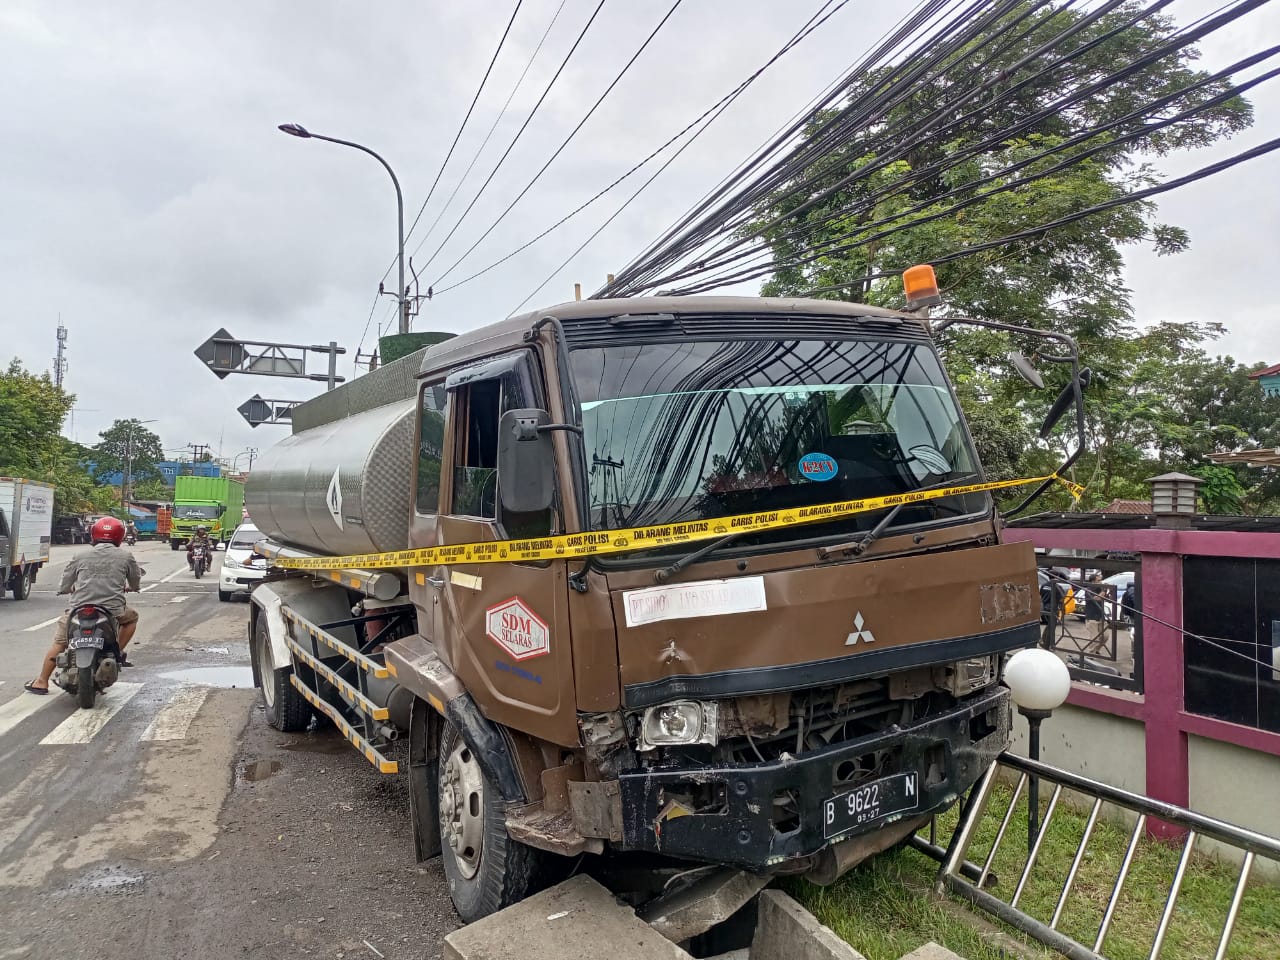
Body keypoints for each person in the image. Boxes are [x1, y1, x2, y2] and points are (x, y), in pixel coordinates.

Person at [24, 516, 142, 695]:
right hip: (112, 611)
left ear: (93, 534)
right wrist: (132, 588)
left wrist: (66, 589)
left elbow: (65, 582)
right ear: (120, 536)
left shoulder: (80, 555)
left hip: (78, 611)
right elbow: (135, 580)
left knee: (60, 642)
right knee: (132, 618)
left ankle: (41, 681)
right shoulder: (126, 556)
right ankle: (117, 652)